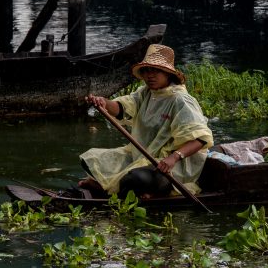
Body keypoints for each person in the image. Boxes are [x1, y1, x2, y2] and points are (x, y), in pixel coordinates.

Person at [79, 44, 213, 198]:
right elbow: (122, 108)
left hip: (171, 166)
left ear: (168, 74)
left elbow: (201, 139)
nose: (150, 75)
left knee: (135, 178)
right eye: (147, 71)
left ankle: (122, 190)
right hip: (142, 157)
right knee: (90, 160)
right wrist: (104, 102)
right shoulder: (146, 93)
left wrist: (174, 157)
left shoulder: (180, 100)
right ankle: (132, 190)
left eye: (156, 71)